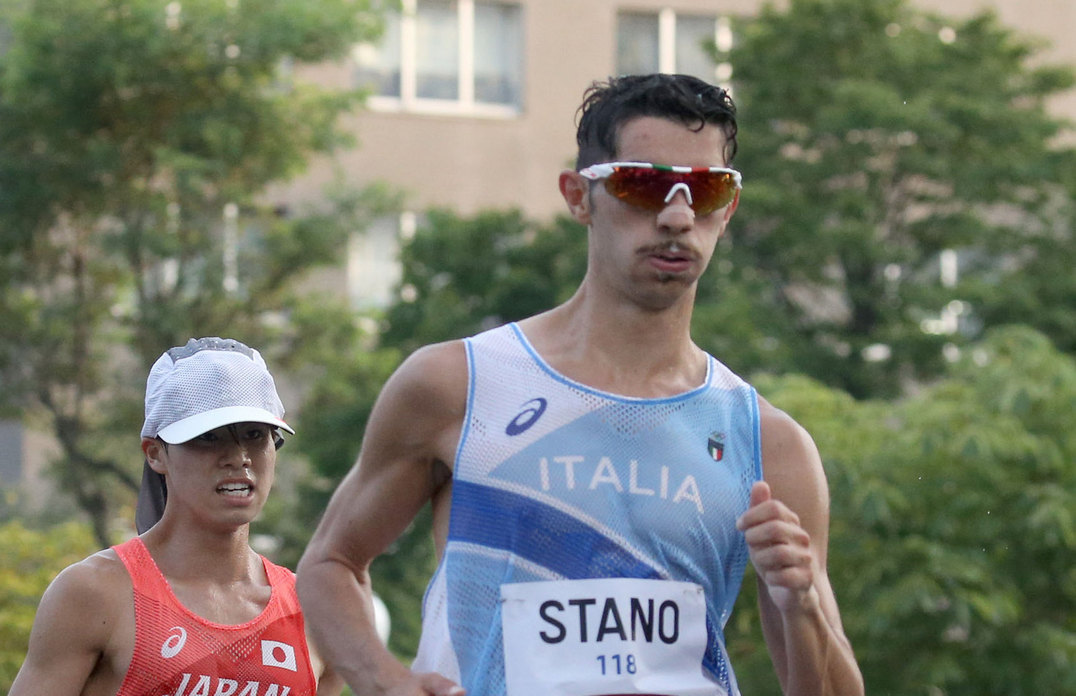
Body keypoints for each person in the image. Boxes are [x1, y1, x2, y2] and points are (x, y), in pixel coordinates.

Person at [297, 73, 864, 696]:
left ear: (727, 210)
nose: (677, 215)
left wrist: (803, 602)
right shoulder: (459, 384)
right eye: (643, 184)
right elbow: (330, 564)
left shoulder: (769, 444)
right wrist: (385, 682)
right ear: (579, 196)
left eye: (705, 190)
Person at [10, 336, 343, 696]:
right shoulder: (95, 592)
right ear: (155, 453)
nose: (238, 456)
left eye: (254, 434)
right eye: (209, 437)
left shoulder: (313, 614)